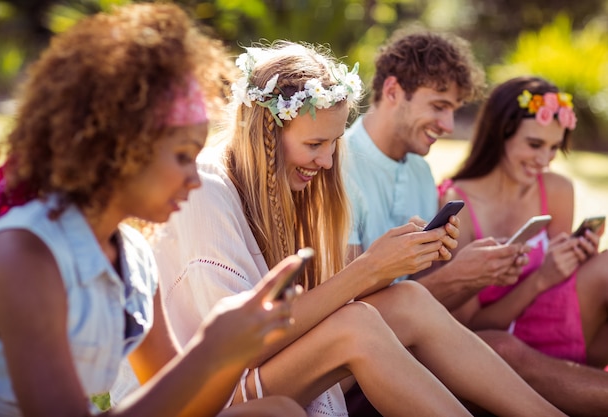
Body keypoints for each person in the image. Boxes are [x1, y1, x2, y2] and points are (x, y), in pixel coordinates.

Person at [151, 40, 566, 417]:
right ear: (265, 130)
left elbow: (316, 307)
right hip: (214, 391)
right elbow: (238, 350)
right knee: (357, 326)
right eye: (314, 145)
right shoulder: (205, 192)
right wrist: (369, 268)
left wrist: (406, 261)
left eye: (332, 144)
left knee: (407, 298)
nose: (328, 162)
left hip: (272, 364)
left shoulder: (287, 187)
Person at [0, 4, 308, 416]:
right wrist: (209, 352)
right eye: (182, 156)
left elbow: (186, 407)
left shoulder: (133, 254)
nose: (195, 179)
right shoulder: (25, 256)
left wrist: (230, 351)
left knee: (277, 411)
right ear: (123, 150)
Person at [341, 25, 608, 416]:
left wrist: (471, 274)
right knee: (503, 349)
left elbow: (428, 296)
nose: (450, 126)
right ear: (394, 91)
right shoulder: (340, 166)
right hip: (380, 350)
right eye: (439, 106)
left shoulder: (417, 169)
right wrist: (464, 275)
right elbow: (354, 299)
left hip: (428, 335)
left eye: (454, 109)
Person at [440, 75, 608, 416]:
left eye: (553, 148)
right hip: (504, 336)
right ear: (500, 133)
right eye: (534, 145)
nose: (544, 160)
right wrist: (540, 279)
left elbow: (564, 286)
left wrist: (575, 258)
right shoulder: (458, 204)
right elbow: (470, 328)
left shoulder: (556, 189)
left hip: (561, 319)